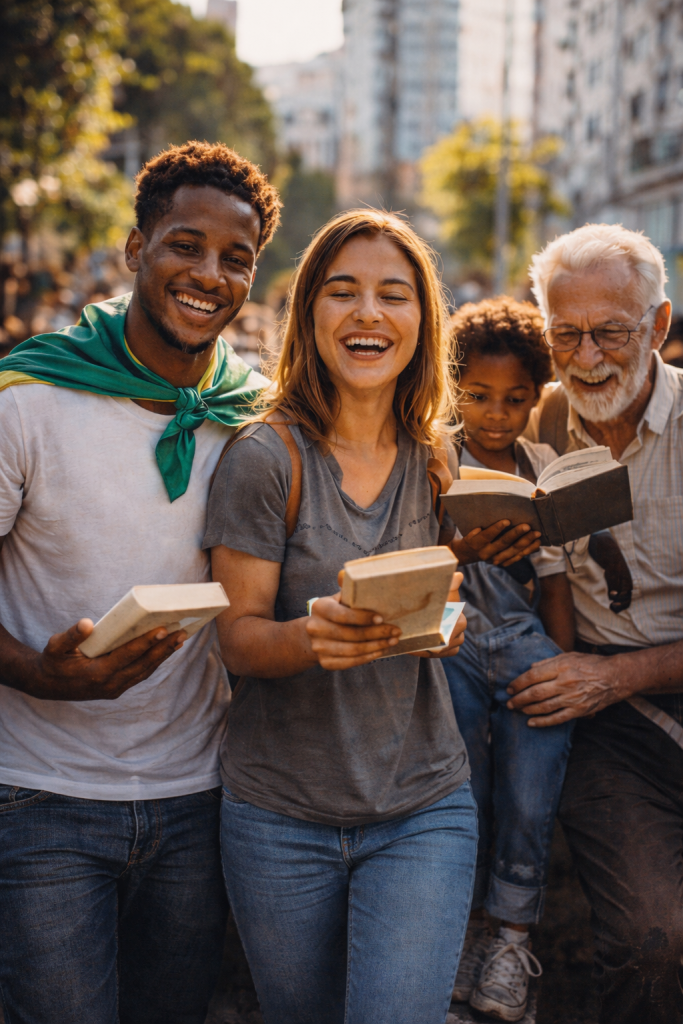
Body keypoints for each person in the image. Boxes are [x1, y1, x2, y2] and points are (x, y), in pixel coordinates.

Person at [204, 210, 540, 1024]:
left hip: (422, 806)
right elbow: (237, 640)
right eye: (342, 291)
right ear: (308, 312)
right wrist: (309, 638)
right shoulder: (263, 457)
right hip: (278, 819)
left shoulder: (436, 456)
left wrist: (446, 617)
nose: (368, 314)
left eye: (393, 294)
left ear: (422, 320)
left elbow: (428, 601)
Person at [0, 141, 281, 1024]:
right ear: (135, 249)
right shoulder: (29, 399)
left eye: (236, 259)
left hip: (198, 799)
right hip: (37, 795)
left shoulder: (255, 419)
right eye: (184, 246)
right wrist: (37, 672)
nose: (209, 275)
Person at [506, 223, 683, 1024]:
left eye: (609, 333)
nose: (585, 359)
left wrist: (613, 676)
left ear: (657, 325)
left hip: (620, 681)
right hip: (606, 727)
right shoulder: (531, 424)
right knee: (653, 939)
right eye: (563, 335)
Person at [443, 298, 575, 1022]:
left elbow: (554, 582)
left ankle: (510, 939)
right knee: (460, 791)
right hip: (454, 643)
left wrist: (564, 665)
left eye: (516, 400)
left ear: (536, 396)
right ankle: (459, 934)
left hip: (524, 641)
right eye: (479, 396)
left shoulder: (540, 464)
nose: (496, 415)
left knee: (528, 793)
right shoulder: (435, 453)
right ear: (453, 388)